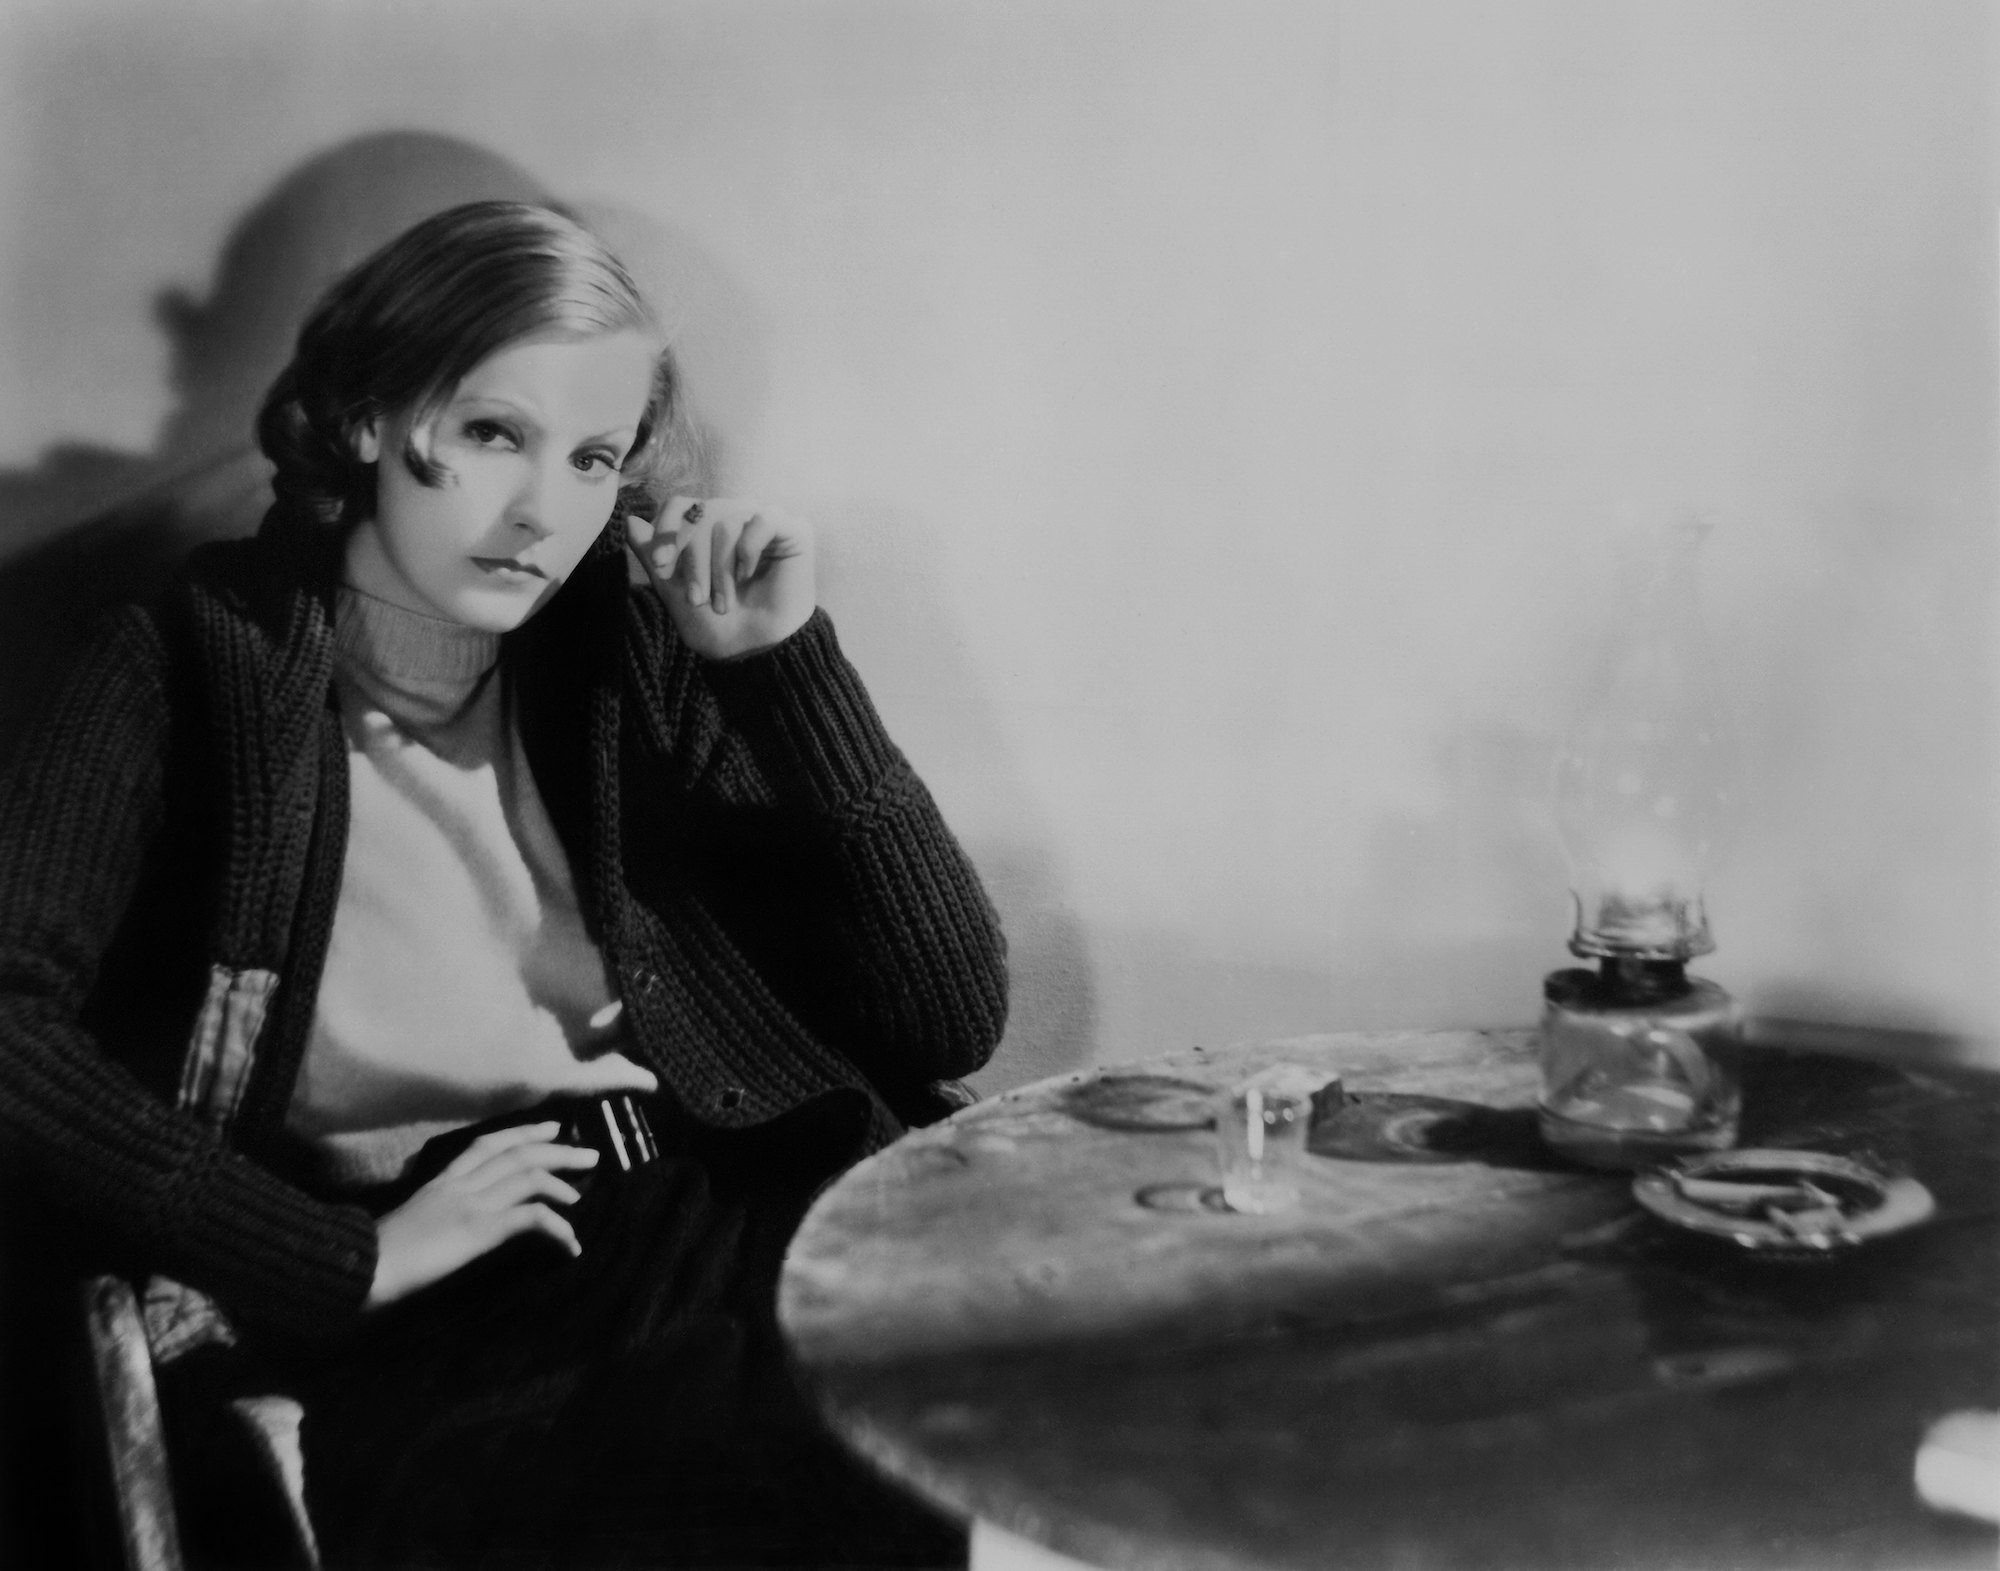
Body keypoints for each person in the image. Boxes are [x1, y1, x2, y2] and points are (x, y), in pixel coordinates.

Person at [0, 200, 1009, 1568]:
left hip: (717, 1213)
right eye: (493, 434)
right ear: (367, 418)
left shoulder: (633, 649)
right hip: (454, 1293)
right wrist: (334, 1259)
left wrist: (782, 668)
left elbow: (946, 1022)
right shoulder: (188, 664)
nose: (546, 512)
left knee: (961, 1467)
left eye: (594, 457)